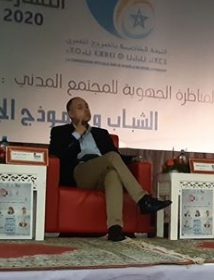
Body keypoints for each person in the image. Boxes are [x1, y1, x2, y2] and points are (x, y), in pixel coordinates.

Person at [49, 97, 171, 241]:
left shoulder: (101, 133)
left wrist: (132, 159)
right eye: (80, 107)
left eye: (87, 106)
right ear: (70, 114)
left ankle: (115, 228)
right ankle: (143, 199)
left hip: (102, 171)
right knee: (111, 158)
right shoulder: (59, 132)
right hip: (80, 172)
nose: (86, 109)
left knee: (112, 174)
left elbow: (116, 156)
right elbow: (58, 155)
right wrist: (76, 135)